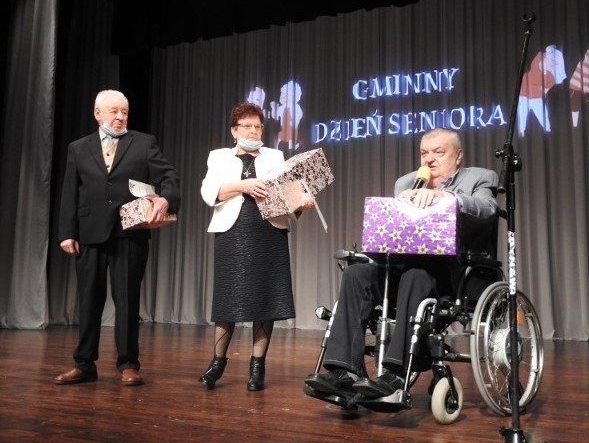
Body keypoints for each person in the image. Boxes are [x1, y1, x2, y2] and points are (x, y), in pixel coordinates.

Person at [304, 128, 499, 404]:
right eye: (424, 153)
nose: (429, 160)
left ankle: (395, 374)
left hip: (452, 272)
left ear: (458, 156)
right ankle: (341, 371)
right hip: (402, 266)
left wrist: (449, 198)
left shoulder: (479, 177)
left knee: (416, 274)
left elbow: (487, 209)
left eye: (438, 153)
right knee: (356, 273)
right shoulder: (407, 183)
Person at [55, 89, 181, 386]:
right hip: (90, 233)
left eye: (124, 111)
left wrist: (166, 200)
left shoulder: (144, 142)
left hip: (129, 233)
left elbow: (169, 177)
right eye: (113, 111)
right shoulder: (78, 147)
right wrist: (66, 233)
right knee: (89, 301)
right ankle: (84, 363)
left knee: (127, 301)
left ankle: (128, 364)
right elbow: (70, 191)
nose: (120, 116)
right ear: (97, 113)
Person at [199, 101, 314, 391]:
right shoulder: (219, 157)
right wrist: (243, 185)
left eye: (258, 126)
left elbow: (289, 194)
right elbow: (209, 192)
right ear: (234, 131)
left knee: (266, 300)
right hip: (232, 231)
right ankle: (217, 364)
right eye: (247, 126)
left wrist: (302, 202)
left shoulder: (275, 155)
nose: (253, 130)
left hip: (268, 232)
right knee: (227, 300)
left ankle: (257, 367)